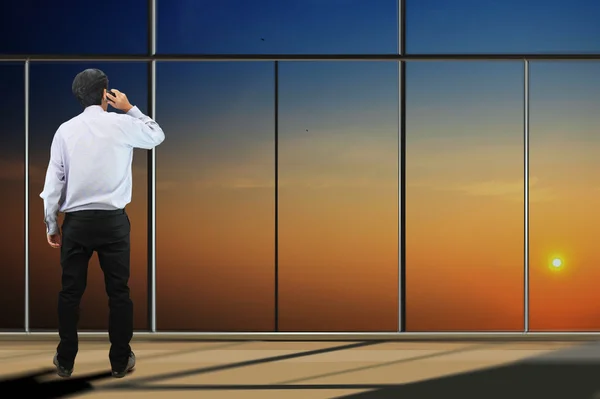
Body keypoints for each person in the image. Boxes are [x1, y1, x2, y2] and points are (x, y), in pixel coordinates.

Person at [40, 68, 165, 379]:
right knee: (119, 293)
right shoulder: (122, 123)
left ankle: (66, 360)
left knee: (70, 293)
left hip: (77, 224)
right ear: (105, 93)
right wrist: (130, 108)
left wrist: (52, 225)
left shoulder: (65, 130)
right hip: (113, 223)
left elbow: (53, 184)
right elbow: (156, 136)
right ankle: (120, 360)